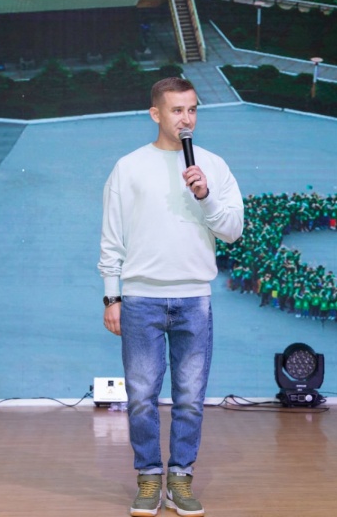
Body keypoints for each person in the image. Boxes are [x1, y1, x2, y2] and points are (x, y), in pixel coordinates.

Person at [98, 77, 244, 517]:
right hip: (140, 298)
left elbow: (233, 230)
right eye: (177, 110)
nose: (186, 118)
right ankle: (148, 479)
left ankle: (180, 478)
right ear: (155, 114)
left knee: (190, 397)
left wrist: (205, 195)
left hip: (194, 299)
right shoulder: (129, 167)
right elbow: (112, 238)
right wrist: (111, 297)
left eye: (192, 109)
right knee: (141, 397)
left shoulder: (213, 166)